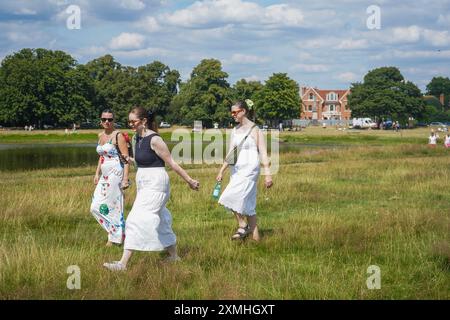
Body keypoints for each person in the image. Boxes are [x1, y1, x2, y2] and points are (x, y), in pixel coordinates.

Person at [103, 107, 200, 271]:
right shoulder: (136, 138)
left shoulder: (155, 139)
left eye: (133, 121)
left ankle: (122, 264)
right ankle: (174, 256)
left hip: (157, 184)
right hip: (144, 183)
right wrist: (129, 158)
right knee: (160, 220)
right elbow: (144, 162)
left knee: (134, 219)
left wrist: (189, 180)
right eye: (129, 122)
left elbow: (172, 163)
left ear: (144, 121)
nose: (131, 124)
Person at [216, 100, 273, 242]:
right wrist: (222, 170)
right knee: (249, 206)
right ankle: (256, 240)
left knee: (227, 196)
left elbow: (264, 153)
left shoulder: (255, 129)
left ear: (243, 111)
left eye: (235, 112)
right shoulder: (234, 131)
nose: (232, 115)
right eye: (231, 112)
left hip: (250, 169)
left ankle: (242, 225)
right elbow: (231, 153)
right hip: (236, 169)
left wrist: (268, 174)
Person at [90, 109, 130, 247]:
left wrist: (125, 178)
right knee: (95, 206)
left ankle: (113, 238)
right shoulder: (100, 135)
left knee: (113, 206)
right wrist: (97, 173)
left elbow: (126, 159)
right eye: (104, 119)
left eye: (110, 119)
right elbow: (101, 156)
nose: (107, 122)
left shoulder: (117, 135)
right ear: (100, 120)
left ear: (114, 120)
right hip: (104, 174)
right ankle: (116, 232)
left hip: (116, 174)